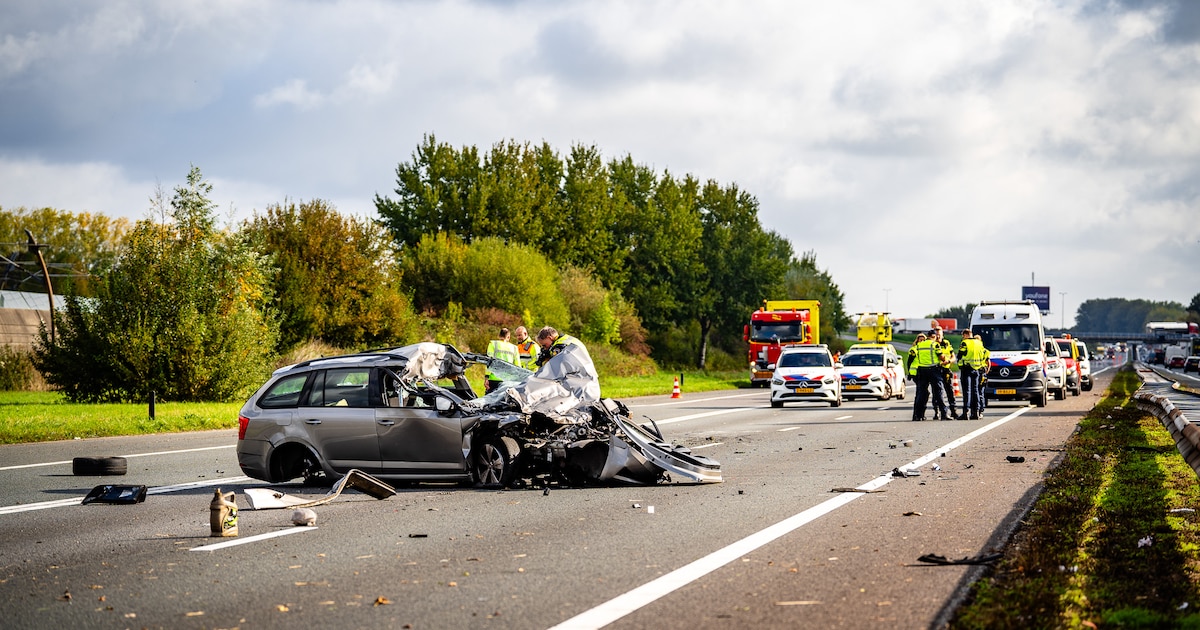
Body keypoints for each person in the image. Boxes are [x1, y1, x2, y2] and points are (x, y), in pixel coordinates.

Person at [910, 332, 944, 421]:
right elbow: (941, 357)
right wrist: (945, 360)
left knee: (921, 394)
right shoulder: (935, 344)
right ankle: (943, 413)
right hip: (933, 370)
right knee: (938, 392)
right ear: (933, 336)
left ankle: (918, 415)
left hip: (922, 370)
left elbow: (910, 360)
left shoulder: (919, 346)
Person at [958, 330, 989, 420]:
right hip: (977, 369)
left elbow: (960, 354)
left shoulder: (965, 343)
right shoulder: (979, 343)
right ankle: (976, 412)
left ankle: (966, 412)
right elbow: (983, 355)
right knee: (975, 390)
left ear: (965, 335)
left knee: (967, 391)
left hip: (966, 369)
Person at [933, 327, 959, 420]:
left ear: (942, 334)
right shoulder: (933, 344)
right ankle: (937, 412)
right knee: (937, 391)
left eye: (939, 334)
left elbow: (953, 357)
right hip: (936, 369)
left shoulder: (946, 343)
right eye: (936, 335)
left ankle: (953, 411)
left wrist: (948, 361)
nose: (938, 336)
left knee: (950, 390)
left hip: (946, 370)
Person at [484, 328, 520, 393]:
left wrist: (486, 378)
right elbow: (517, 366)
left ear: (499, 336)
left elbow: (489, 362)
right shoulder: (514, 348)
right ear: (508, 337)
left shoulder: (493, 344)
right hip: (508, 380)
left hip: (493, 378)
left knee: (489, 400)